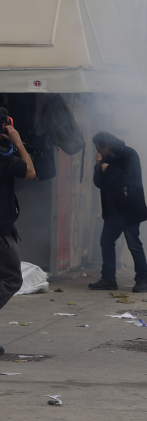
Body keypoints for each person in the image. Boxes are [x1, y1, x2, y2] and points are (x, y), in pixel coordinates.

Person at [89, 132, 147, 292]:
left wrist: (108, 168)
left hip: (130, 209)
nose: (99, 153)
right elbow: (98, 182)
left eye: (99, 149)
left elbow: (130, 179)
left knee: (134, 244)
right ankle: (108, 278)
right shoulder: (104, 158)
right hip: (113, 211)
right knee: (106, 242)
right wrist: (98, 166)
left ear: (108, 146)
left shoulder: (129, 154)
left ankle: (142, 280)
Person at [0, 109, 36, 356]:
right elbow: (30, 172)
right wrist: (18, 142)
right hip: (1, 232)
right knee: (12, 278)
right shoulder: (4, 158)